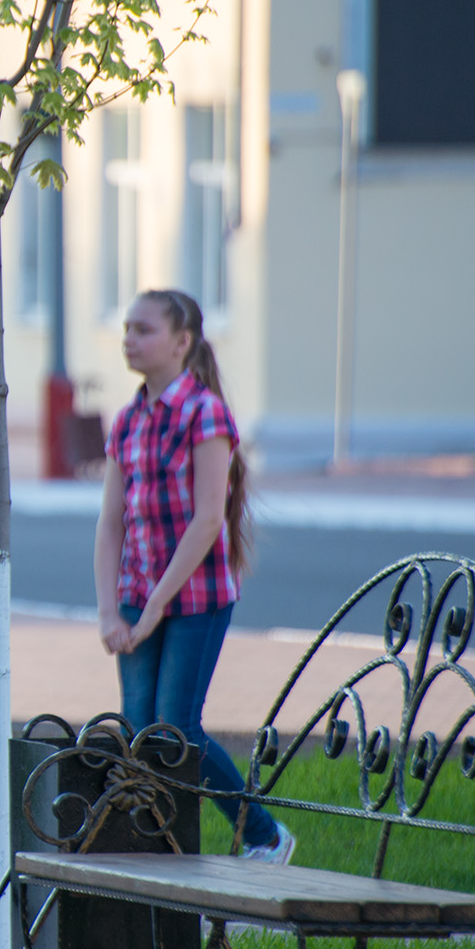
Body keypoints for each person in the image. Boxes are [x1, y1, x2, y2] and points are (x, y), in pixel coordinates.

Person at [92, 288, 294, 865]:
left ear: (182, 343)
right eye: (127, 328)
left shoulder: (205, 414)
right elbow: (110, 524)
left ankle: (264, 836)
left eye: (144, 330)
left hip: (196, 600)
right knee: (141, 734)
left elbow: (209, 520)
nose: (130, 339)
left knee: (177, 727)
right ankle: (157, 852)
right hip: (137, 599)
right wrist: (111, 610)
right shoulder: (128, 420)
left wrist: (155, 606)